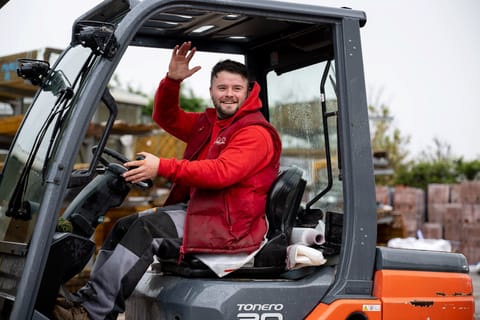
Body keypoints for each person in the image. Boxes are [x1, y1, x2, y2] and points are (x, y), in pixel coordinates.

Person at [54, 41, 282, 320]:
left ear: (248, 91)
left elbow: (222, 172)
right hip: (204, 212)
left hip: (229, 225)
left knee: (147, 229)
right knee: (125, 226)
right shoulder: (210, 124)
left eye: (236, 89)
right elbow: (166, 116)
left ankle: (92, 313)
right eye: (222, 88)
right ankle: (90, 299)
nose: (229, 95)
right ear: (211, 91)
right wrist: (172, 81)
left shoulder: (254, 133)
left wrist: (161, 166)